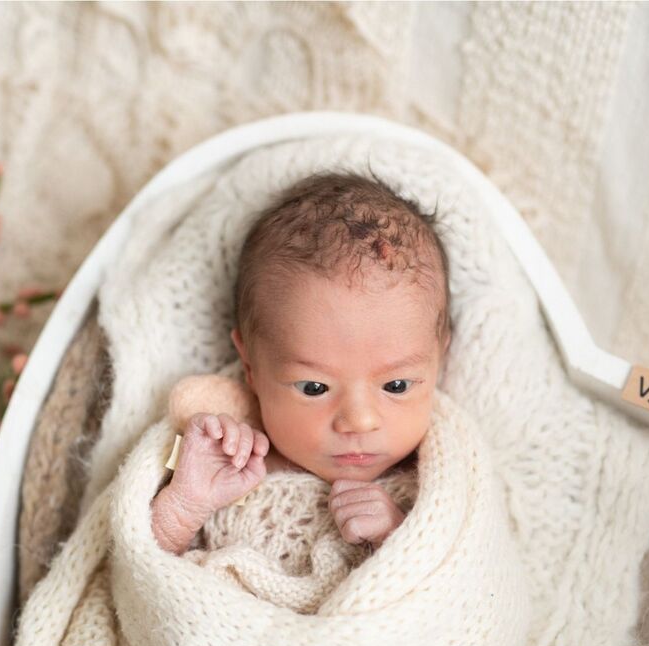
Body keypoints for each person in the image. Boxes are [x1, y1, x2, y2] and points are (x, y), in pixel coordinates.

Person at [149, 172, 452, 609]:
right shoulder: (227, 458)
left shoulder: (434, 483)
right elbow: (144, 568)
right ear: (251, 367)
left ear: (439, 359)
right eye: (314, 387)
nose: (359, 420)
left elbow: (454, 598)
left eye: (396, 385)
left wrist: (396, 536)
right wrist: (184, 504)